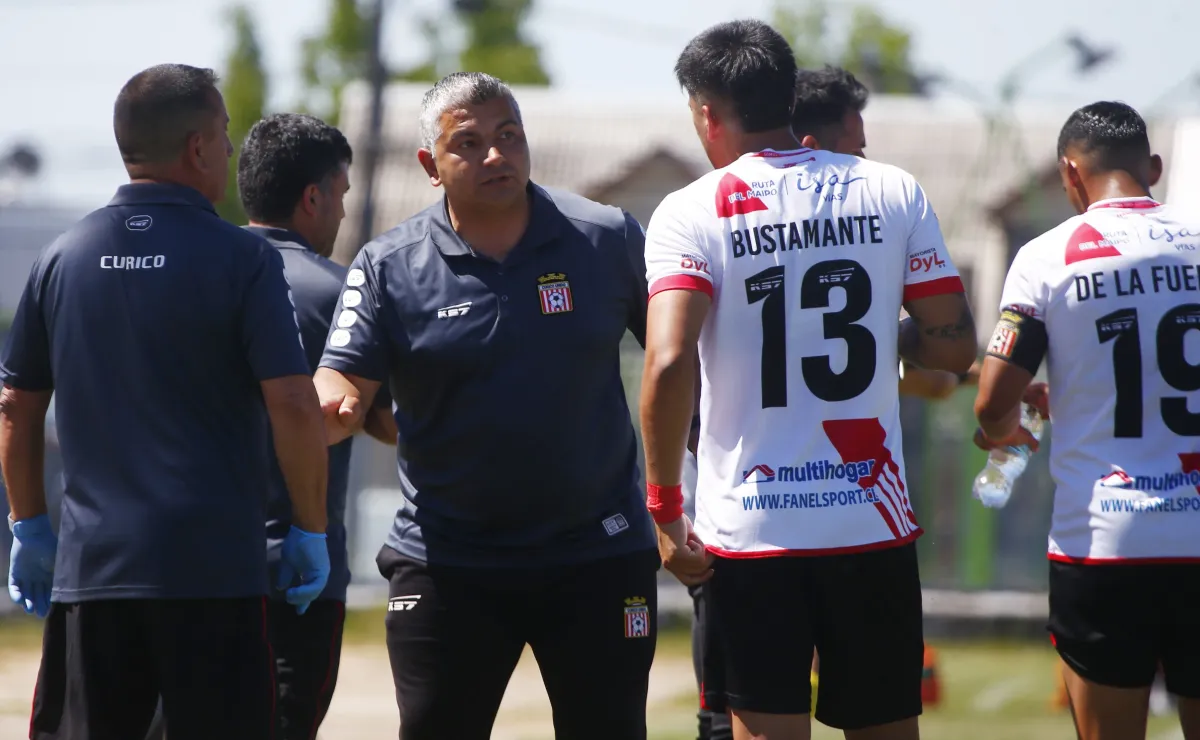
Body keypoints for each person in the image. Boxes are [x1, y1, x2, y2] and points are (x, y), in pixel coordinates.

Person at [640, 21, 976, 740]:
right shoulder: (891, 189)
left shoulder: (690, 210)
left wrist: (666, 508)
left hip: (754, 530)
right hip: (870, 516)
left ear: (706, 113)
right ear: (788, 96)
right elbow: (951, 348)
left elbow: (668, 361)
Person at [313, 71, 659, 740]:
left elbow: (684, 366)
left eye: (508, 137)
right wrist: (320, 412)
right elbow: (341, 387)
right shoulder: (388, 264)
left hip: (597, 554)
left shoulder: (607, 238)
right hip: (448, 564)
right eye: (468, 143)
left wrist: (690, 491)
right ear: (430, 166)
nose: (495, 155)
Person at [0, 64, 330, 740]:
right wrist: (311, 528)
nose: (232, 151)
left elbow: (15, 406)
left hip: (92, 575)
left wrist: (29, 527)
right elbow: (295, 402)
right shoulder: (244, 259)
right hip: (215, 574)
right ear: (197, 147)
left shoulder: (62, 256)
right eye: (226, 134)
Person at [974, 100, 1200, 740]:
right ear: (1153, 166)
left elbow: (993, 403)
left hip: (1107, 540)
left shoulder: (1050, 257)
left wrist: (1003, 431)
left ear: (1070, 174)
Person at [236, 112, 398, 740]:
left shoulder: (197, 278)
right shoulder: (342, 294)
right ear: (314, 197)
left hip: (188, 563)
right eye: (341, 195)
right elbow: (388, 424)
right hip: (298, 576)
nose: (340, 213)